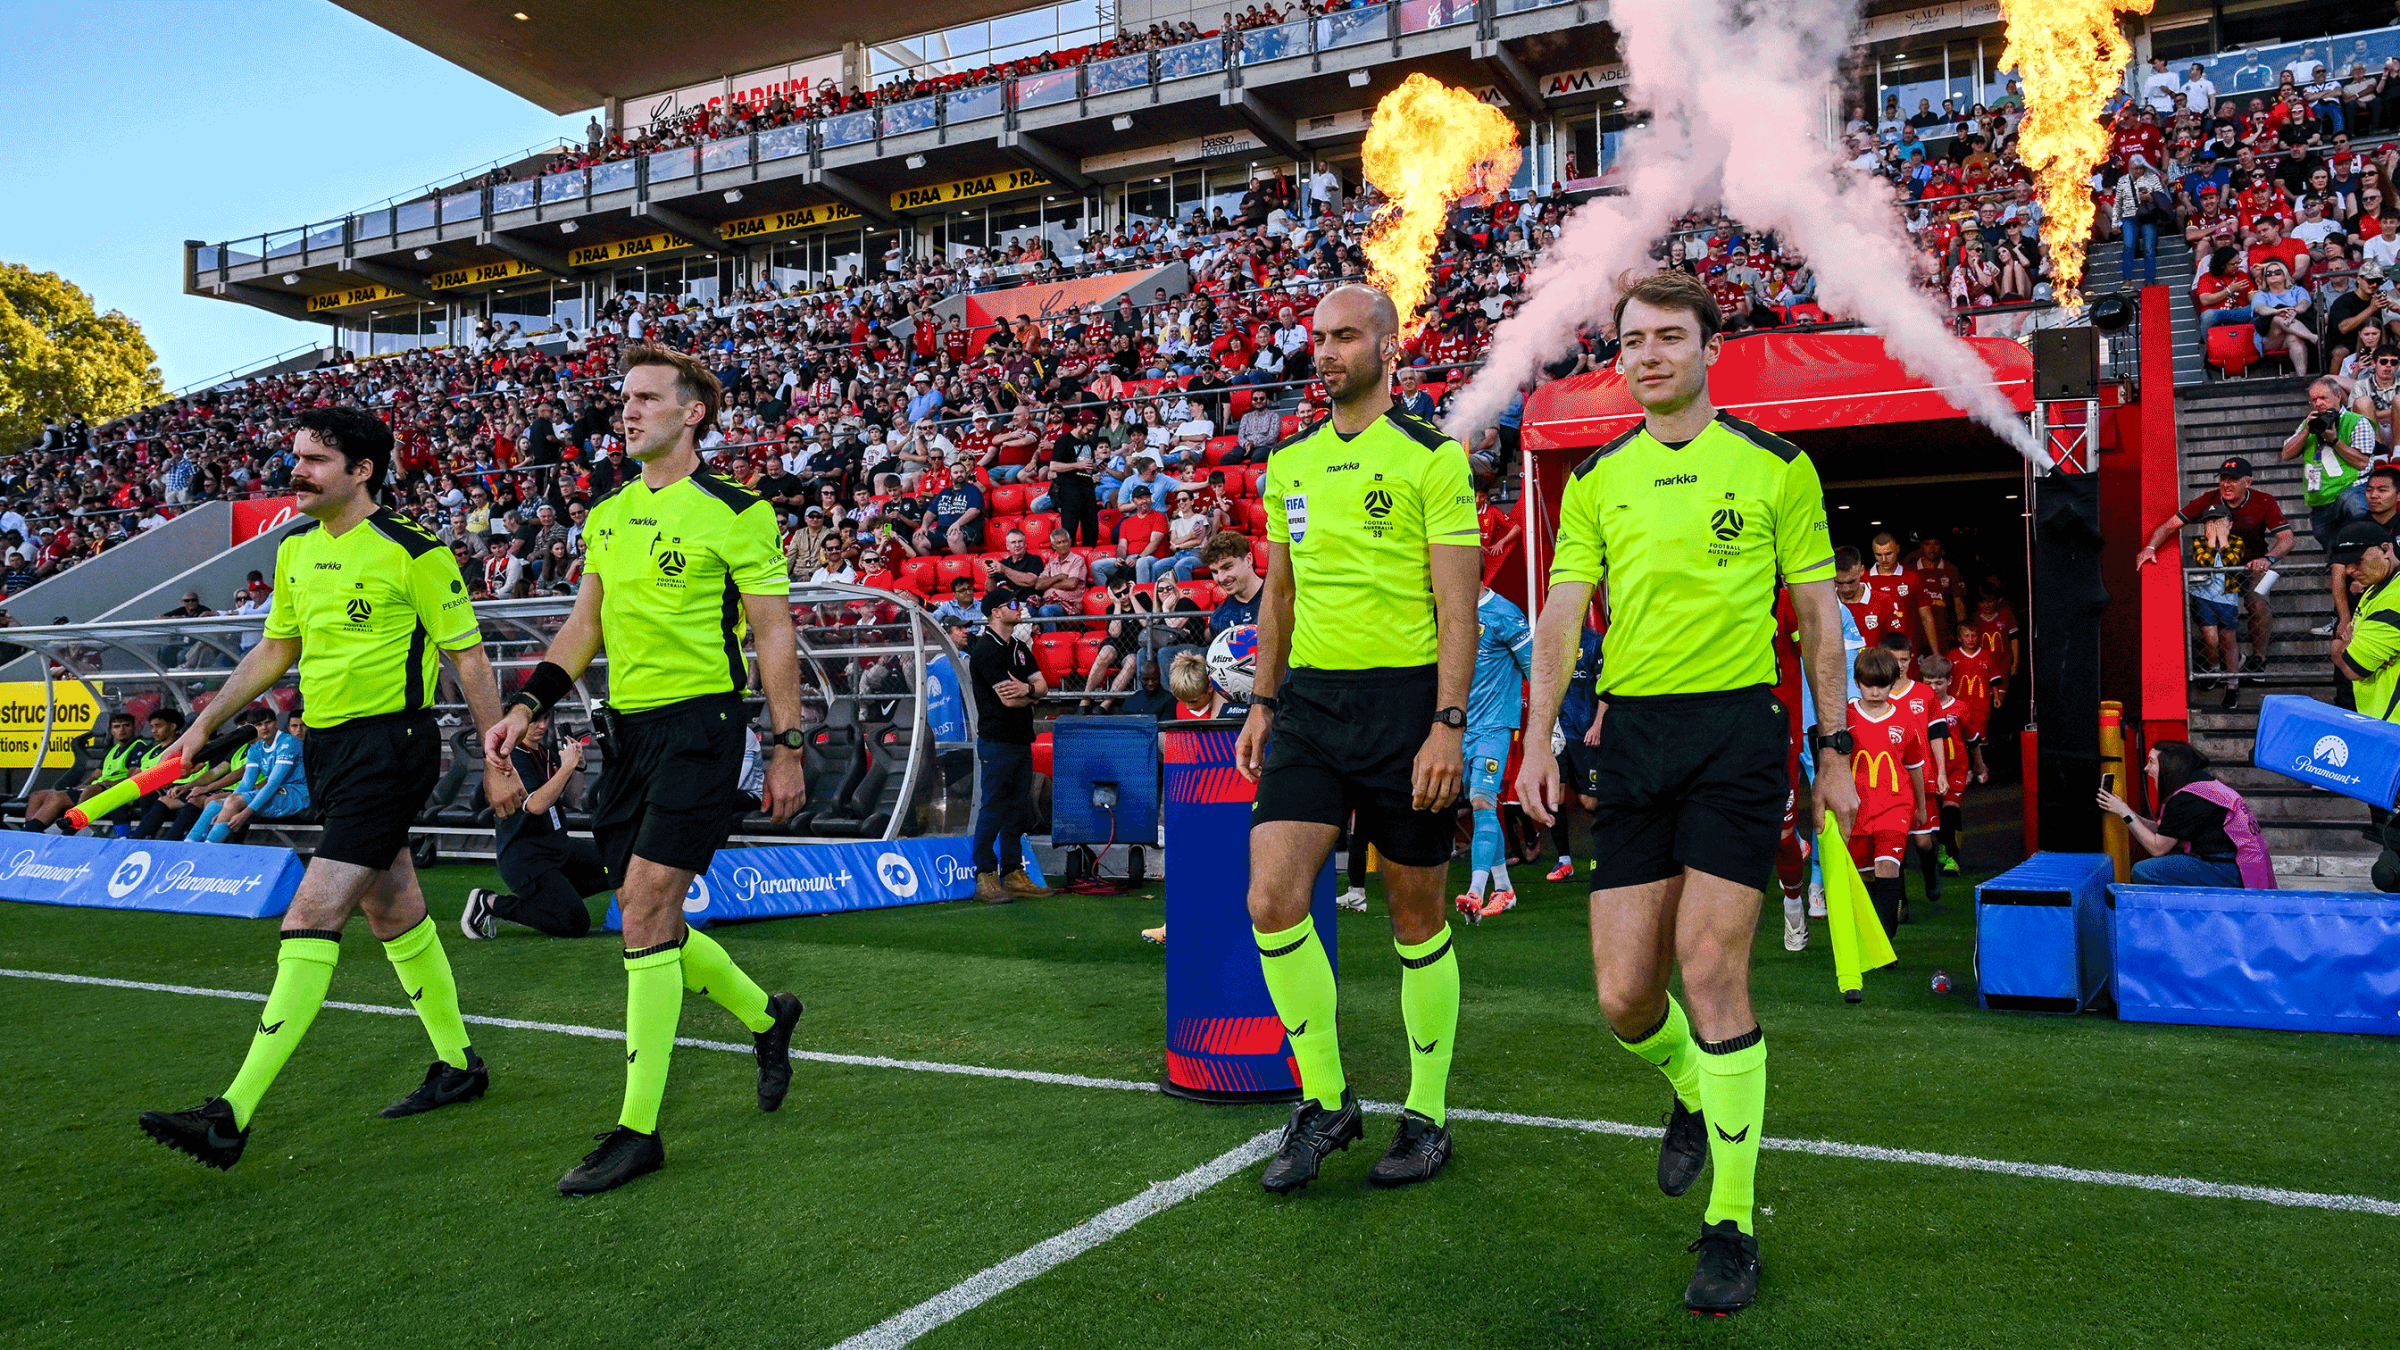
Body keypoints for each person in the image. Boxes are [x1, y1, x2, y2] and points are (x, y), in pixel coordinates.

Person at [1515, 270, 1851, 1315]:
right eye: (1632, 341)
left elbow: (1819, 613)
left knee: (1710, 971)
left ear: (1710, 350)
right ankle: (1691, 1091)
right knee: (1624, 999)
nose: (1649, 354)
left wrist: (1834, 744)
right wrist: (1537, 741)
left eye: (1669, 337)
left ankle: (1732, 1227)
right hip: (1636, 740)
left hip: (1737, 734)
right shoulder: (1595, 479)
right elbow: (1564, 616)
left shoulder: (1775, 466)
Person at [138, 405, 525, 1173]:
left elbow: (470, 661)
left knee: (313, 912)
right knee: (395, 910)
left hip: (394, 748)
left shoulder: (415, 551)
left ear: (362, 471)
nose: (298, 471)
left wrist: (495, 758)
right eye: (298, 456)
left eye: (315, 459)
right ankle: (459, 1065)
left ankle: (231, 1114)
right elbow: (277, 649)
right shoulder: (294, 551)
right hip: (329, 750)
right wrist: (200, 723)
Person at [484, 345, 808, 1196]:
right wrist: (526, 705)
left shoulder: (738, 512)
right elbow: (581, 628)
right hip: (626, 735)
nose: (625, 411)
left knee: (650, 903)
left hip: (703, 726)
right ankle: (766, 1017)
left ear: (693, 412)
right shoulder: (608, 514)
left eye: (645, 398)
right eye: (622, 398)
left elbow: (773, 633)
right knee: (640, 910)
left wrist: (786, 743)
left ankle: (637, 1130)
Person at [1235, 283, 1480, 1196]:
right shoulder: (1290, 462)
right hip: (1311, 710)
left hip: (1406, 710)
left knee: (1416, 919)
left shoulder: (1432, 458)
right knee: (1271, 900)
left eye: (1343, 337)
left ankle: (1426, 1115)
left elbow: (1458, 606)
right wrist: (1264, 701)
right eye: (1317, 339)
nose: (1325, 352)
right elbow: (1281, 594)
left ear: (1387, 347)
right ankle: (1327, 1102)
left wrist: (1447, 725)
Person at [2135, 455, 2294, 683]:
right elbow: (2169, 526)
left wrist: (2268, 559)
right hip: (2218, 569)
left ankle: (2258, 657)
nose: (2226, 485)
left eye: (2234, 480)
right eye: (2223, 479)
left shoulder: (2264, 501)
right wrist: (2149, 547)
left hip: (2252, 565)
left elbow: (2287, 539)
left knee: (2257, 603)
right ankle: (2220, 665)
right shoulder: (2208, 500)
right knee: (2212, 617)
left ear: (2248, 481)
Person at [462, 714, 607, 939]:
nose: (541, 726)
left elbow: (570, 799)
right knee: (574, 923)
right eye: (534, 720)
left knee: (615, 864)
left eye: (545, 719)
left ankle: (547, 903)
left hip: (557, 846)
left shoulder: (545, 753)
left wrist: (577, 767)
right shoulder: (511, 758)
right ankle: (491, 903)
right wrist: (566, 766)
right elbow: (537, 805)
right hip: (527, 857)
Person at [966, 594, 1056, 903]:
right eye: (1012, 605)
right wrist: (1032, 694)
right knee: (993, 806)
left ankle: (1013, 871)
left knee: (1018, 807)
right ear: (995, 612)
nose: (1019, 609)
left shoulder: (1019, 648)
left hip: (1021, 738)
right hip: (997, 739)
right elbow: (1008, 699)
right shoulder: (985, 651)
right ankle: (984, 874)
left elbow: (1042, 686)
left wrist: (1028, 691)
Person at [2096, 741, 2273, 888]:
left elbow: (2157, 848)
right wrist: (2123, 809)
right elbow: (2162, 829)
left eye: (2151, 762)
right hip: (2240, 864)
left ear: (2168, 766)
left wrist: (2125, 813)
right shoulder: (2202, 785)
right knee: (2169, 859)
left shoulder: (2188, 798)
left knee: (2143, 870)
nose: (2146, 768)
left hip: (2228, 871)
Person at [1456, 584, 1533, 921]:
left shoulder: (1505, 613)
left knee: (1482, 802)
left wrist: (1548, 728)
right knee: (1480, 804)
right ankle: (1504, 888)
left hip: (1495, 727)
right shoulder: (1450, 609)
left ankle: (1475, 891)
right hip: (1462, 728)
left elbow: (1535, 668)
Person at [1846, 646, 1929, 937]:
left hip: (1895, 806)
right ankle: (1871, 936)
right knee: (1865, 873)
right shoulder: (1845, 718)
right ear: (1857, 682)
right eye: (1868, 684)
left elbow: (1915, 766)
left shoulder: (1905, 720)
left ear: (1892, 683)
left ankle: (1886, 938)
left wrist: (1921, 807)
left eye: (1882, 684)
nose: (1875, 691)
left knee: (1887, 866)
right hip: (1856, 808)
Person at [195, 708, 310, 842]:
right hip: (275, 793)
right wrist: (224, 810)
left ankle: (210, 849)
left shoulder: (288, 743)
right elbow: (245, 784)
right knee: (214, 805)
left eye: (268, 722)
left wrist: (244, 814)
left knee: (233, 803)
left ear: (277, 723)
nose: (264, 727)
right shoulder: (256, 748)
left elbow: (273, 783)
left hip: (297, 794)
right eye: (258, 724)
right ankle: (190, 845)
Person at [18, 710, 140, 832]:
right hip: (94, 788)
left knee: (58, 797)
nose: (122, 730)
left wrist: (109, 783)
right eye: (117, 727)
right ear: (112, 731)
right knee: (37, 796)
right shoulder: (112, 750)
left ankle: (34, 831)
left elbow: (132, 779)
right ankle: (30, 832)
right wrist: (83, 784)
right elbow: (96, 775)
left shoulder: (138, 747)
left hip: (110, 791)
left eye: (126, 726)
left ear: (134, 728)